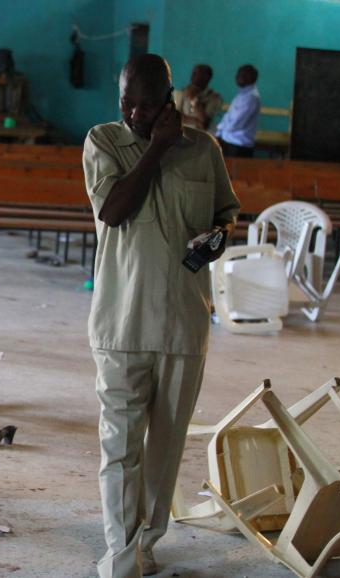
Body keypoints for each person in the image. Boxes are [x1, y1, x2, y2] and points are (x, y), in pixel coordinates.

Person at [82, 54, 240, 578]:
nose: (133, 112)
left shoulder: (205, 150)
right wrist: (156, 146)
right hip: (120, 324)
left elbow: (225, 215)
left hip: (183, 325)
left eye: (147, 104)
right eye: (126, 100)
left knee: (164, 449)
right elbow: (114, 210)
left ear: (169, 100)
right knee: (119, 448)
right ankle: (121, 555)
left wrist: (218, 238)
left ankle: (147, 541)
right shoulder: (104, 142)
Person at [215, 64, 260, 157]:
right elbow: (228, 116)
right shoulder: (242, 94)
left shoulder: (251, 98)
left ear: (252, 78)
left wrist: (221, 132)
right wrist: (219, 132)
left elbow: (236, 123)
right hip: (230, 142)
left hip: (238, 145)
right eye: (238, 74)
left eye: (243, 75)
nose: (238, 77)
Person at [171, 64, 222, 131]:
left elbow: (204, 123)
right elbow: (175, 117)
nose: (192, 76)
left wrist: (193, 99)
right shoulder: (183, 92)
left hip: (201, 136)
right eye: (193, 73)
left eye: (197, 73)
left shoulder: (214, 98)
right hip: (182, 132)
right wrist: (196, 121)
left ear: (207, 77)